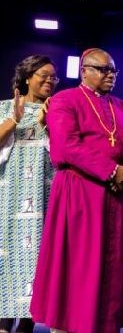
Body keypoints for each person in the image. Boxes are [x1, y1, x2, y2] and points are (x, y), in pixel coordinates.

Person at [29, 48, 123, 333]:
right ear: (84, 71)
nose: (110, 75)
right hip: (79, 192)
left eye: (113, 70)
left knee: (111, 265)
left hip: (115, 195)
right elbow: (68, 146)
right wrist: (111, 170)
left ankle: (103, 324)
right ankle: (69, 325)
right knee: (79, 263)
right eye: (103, 69)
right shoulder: (64, 100)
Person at [0, 56, 58, 333]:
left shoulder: (58, 110)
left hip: (44, 194)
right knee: (6, 253)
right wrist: (15, 120)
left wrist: (48, 122)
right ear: (26, 78)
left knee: (36, 256)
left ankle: (26, 322)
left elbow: (63, 152)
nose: (49, 81)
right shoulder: (5, 107)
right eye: (44, 75)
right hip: (10, 195)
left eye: (53, 77)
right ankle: (3, 320)